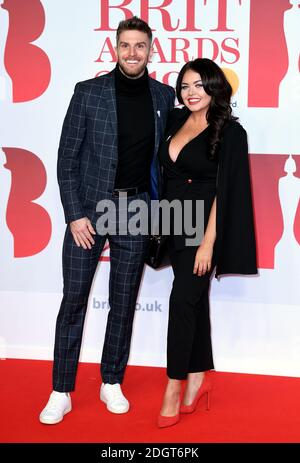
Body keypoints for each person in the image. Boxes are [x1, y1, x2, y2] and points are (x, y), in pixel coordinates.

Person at [39, 16, 175, 425]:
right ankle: (61, 390)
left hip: (135, 211)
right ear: (115, 49)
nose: (133, 53)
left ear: (152, 50)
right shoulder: (88, 92)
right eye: (126, 45)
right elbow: (67, 158)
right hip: (89, 213)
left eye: (140, 46)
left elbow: (171, 156)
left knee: (123, 302)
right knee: (75, 299)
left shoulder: (164, 96)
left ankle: (110, 381)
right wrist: (74, 215)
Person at [157, 58, 257, 428]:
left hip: (204, 228)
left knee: (182, 299)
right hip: (171, 223)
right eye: (184, 86)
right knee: (193, 300)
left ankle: (173, 384)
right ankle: (198, 375)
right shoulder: (172, 121)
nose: (190, 92)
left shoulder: (231, 131)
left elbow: (225, 190)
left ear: (215, 87)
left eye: (199, 85)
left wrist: (207, 244)